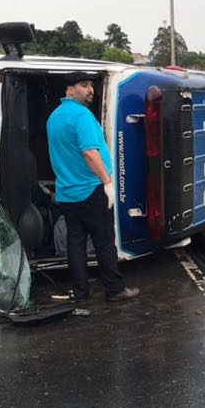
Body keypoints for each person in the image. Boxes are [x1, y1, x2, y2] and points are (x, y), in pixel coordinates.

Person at [46, 74, 139, 303]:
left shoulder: (54, 117)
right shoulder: (82, 115)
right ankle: (115, 289)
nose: (90, 90)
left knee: (75, 244)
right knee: (104, 242)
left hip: (67, 193)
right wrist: (107, 182)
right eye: (84, 85)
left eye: (91, 86)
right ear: (70, 90)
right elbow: (89, 152)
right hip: (91, 190)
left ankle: (81, 293)